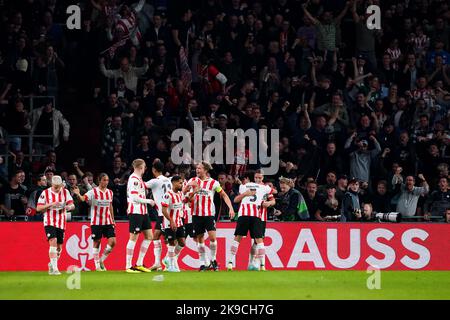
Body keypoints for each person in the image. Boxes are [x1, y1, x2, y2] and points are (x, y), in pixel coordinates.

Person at [186, 161, 235, 271]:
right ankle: (203, 263)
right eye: (197, 168)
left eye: (199, 168)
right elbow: (186, 196)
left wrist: (231, 208)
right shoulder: (192, 181)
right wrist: (191, 195)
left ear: (206, 170)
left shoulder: (214, 183)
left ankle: (213, 260)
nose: (197, 170)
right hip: (196, 214)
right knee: (200, 239)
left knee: (213, 238)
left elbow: (223, 195)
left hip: (209, 214)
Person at [227, 170, 275, 271]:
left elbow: (273, 199)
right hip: (255, 215)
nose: (258, 179)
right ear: (254, 177)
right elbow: (274, 191)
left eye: (260, 178)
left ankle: (233, 262)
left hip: (251, 215)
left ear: (262, 178)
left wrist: (269, 203)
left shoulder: (245, 186)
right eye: (256, 178)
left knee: (251, 240)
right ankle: (261, 265)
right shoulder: (265, 188)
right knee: (258, 240)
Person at [73, 173, 116, 271]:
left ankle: (101, 260)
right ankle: (97, 266)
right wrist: (78, 194)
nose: (106, 182)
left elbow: (110, 206)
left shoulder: (110, 192)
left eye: (107, 180)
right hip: (96, 222)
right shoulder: (93, 192)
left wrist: (113, 219)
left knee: (113, 242)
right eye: (104, 180)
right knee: (97, 242)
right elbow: (83, 199)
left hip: (108, 221)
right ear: (99, 180)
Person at [36, 175, 75, 275]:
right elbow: (38, 208)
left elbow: (72, 205)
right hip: (49, 221)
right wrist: (50, 204)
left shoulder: (65, 192)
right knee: (53, 241)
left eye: (59, 185)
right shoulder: (45, 193)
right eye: (56, 186)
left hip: (61, 222)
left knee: (59, 247)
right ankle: (55, 269)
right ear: (52, 184)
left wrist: (67, 207)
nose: (58, 188)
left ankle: (51, 264)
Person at [125, 159, 156, 273]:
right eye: (144, 166)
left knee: (149, 236)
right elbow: (134, 198)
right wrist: (149, 201)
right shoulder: (133, 179)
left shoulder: (139, 179)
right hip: (135, 211)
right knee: (133, 238)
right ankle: (128, 266)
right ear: (140, 167)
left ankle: (139, 263)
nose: (145, 168)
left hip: (143, 212)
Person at [144, 160, 172, 271]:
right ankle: (158, 263)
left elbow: (141, 186)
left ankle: (168, 262)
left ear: (153, 170)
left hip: (164, 213)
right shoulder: (169, 180)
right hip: (166, 212)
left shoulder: (155, 181)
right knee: (157, 236)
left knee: (168, 239)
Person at [160, 175, 186, 272]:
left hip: (179, 222)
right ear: (174, 183)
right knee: (172, 243)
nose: (181, 184)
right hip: (169, 223)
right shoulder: (168, 195)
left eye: (182, 183)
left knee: (182, 243)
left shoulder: (179, 194)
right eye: (180, 183)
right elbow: (163, 210)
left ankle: (167, 259)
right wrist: (171, 221)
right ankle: (171, 266)